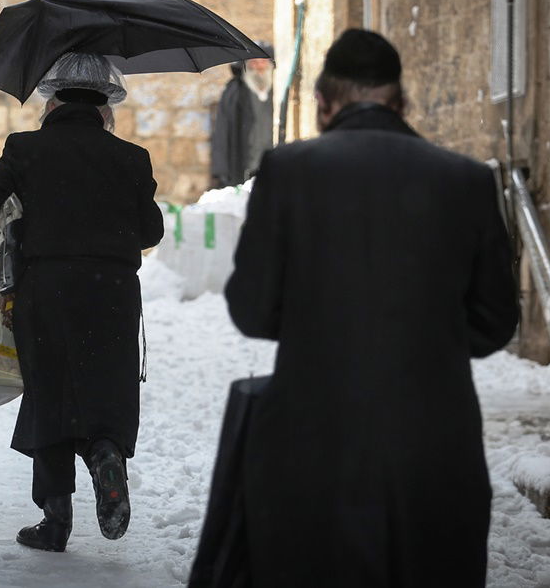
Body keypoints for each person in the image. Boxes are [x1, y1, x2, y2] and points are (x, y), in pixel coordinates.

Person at [220, 29, 518, 586]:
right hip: (435, 443)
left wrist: (320, 323)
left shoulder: (288, 171)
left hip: (315, 440)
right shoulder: (467, 181)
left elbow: (252, 311)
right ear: (402, 101)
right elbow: (495, 322)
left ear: (322, 102)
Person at [0, 53, 165, 553]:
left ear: (51, 103)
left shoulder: (26, 148)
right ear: (105, 108)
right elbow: (151, 230)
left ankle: (55, 521)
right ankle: (106, 454)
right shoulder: (131, 158)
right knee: (107, 389)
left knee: (49, 395)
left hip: (46, 290)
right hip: (112, 293)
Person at [209, 44, 274, 188]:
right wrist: (221, 171)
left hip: (272, 164)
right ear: (246, 65)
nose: (259, 66)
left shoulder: (277, 92)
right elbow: (222, 132)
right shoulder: (235, 93)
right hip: (245, 164)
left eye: (263, 61)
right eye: (254, 62)